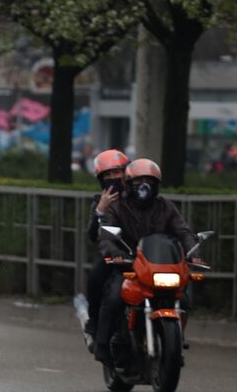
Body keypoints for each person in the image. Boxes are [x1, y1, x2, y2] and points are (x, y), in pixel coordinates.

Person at [94, 158, 198, 363]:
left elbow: (182, 231)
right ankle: (103, 343)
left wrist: (193, 250)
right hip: (128, 264)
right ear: (128, 183)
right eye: (138, 181)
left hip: (159, 265)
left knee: (183, 299)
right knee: (115, 296)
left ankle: (176, 341)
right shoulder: (117, 207)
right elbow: (105, 235)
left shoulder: (166, 207)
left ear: (157, 185)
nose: (144, 186)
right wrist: (115, 253)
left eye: (150, 181)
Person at [82, 149, 130, 350]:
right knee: (95, 278)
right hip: (113, 255)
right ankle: (94, 325)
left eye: (117, 173)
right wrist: (100, 210)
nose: (113, 179)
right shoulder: (100, 202)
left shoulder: (139, 196)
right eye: (107, 176)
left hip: (144, 255)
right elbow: (93, 235)